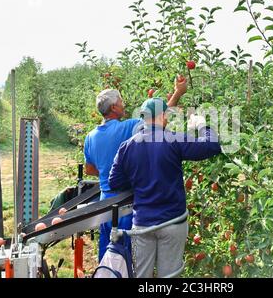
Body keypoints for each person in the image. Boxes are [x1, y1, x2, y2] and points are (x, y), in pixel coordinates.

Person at [108, 98, 222, 277]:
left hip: (142, 223)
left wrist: (140, 180)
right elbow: (212, 146)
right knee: (169, 276)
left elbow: (114, 183)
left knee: (141, 275)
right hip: (172, 222)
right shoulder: (173, 139)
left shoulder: (127, 146)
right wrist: (201, 126)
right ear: (161, 115)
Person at [84, 78, 187, 262]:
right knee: (129, 260)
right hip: (126, 204)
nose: (124, 105)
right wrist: (178, 93)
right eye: (121, 102)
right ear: (114, 108)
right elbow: (157, 118)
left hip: (104, 205)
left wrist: (107, 169)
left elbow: (90, 169)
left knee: (108, 257)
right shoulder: (128, 127)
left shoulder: (90, 137)